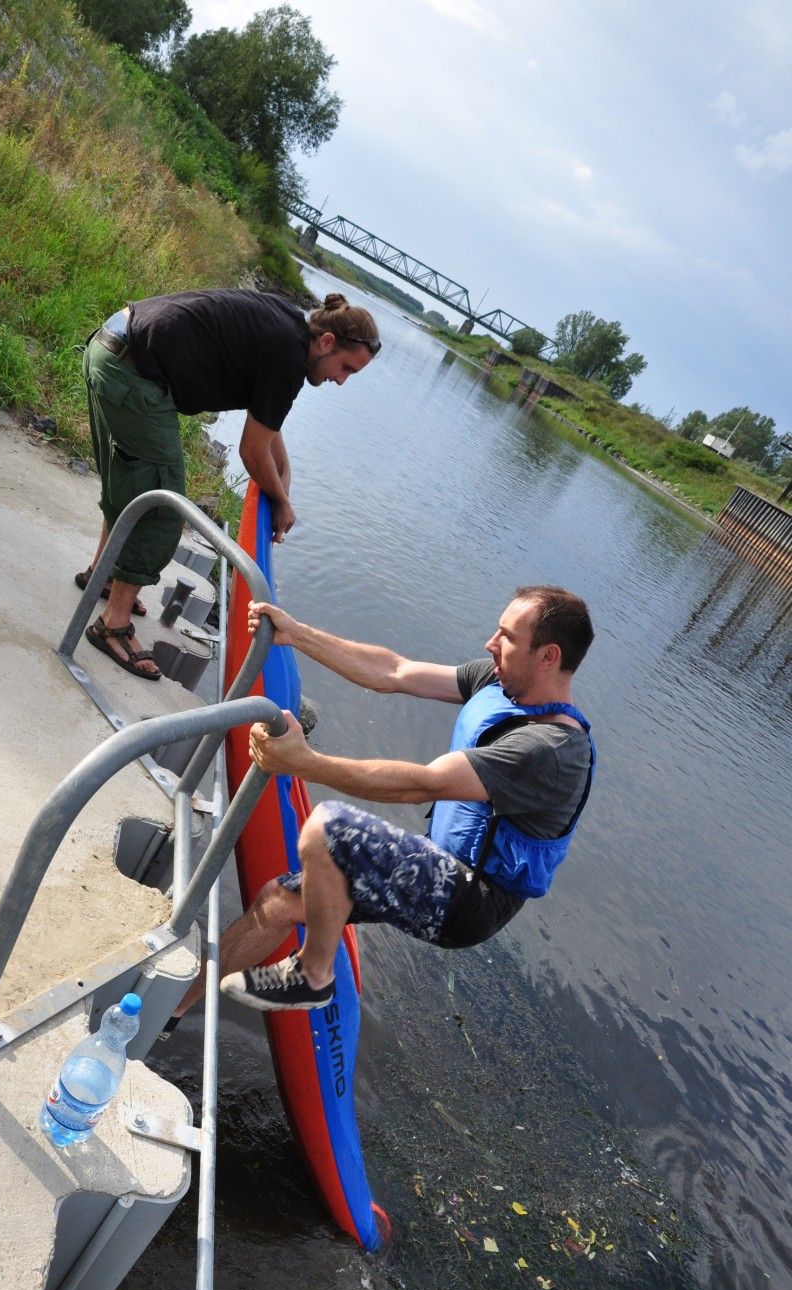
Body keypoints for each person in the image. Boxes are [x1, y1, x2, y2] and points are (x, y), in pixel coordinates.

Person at [163, 584, 594, 1030]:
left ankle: (313, 975)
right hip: (441, 861)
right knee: (279, 900)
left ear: (548, 657)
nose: (491, 643)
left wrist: (304, 763)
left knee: (330, 829)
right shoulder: (502, 683)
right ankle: (170, 1013)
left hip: (469, 900)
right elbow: (395, 671)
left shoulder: (550, 752)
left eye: (506, 636)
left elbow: (422, 785)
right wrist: (297, 633)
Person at [78, 288, 380, 680]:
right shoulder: (287, 359)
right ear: (326, 342)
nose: (341, 381)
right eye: (346, 369)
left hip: (109, 346)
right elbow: (252, 452)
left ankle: (100, 576)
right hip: (135, 374)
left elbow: (268, 425)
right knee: (160, 508)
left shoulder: (288, 326)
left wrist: (283, 480)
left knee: (129, 484)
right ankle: (113, 625)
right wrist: (281, 503)